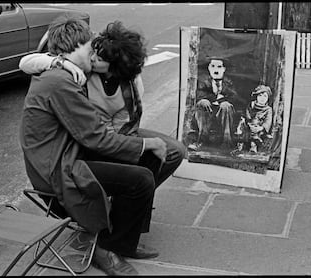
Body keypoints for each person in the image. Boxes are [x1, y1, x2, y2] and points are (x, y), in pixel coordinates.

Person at [19, 17, 185, 276]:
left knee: (154, 159)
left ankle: (124, 238)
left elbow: (108, 130)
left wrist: (141, 145)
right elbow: (95, 138)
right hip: (58, 169)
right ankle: (105, 249)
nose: (94, 54)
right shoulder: (61, 79)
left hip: (71, 151)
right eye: (89, 48)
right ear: (75, 48)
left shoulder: (72, 74)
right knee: (140, 178)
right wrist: (144, 144)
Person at [188, 57, 238, 150]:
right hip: (207, 111)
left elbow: (234, 97)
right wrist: (215, 98)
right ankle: (202, 140)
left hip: (223, 112)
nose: (216, 69)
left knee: (226, 106)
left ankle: (227, 142)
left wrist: (220, 101)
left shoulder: (228, 82)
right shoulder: (204, 81)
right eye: (213, 66)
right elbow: (199, 95)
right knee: (203, 103)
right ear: (209, 68)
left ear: (223, 69)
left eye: (219, 67)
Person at [233, 85, 273, 154]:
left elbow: (268, 121)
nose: (262, 98)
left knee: (255, 126)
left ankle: (253, 145)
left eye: (265, 96)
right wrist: (245, 122)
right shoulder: (251, 105)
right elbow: (247, 115)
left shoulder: (268, 109)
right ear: (256, 97)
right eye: (260, 95)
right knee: (243, 126)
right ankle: (241, 145)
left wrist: (261, 128)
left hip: (259, 128)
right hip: (249, 125)